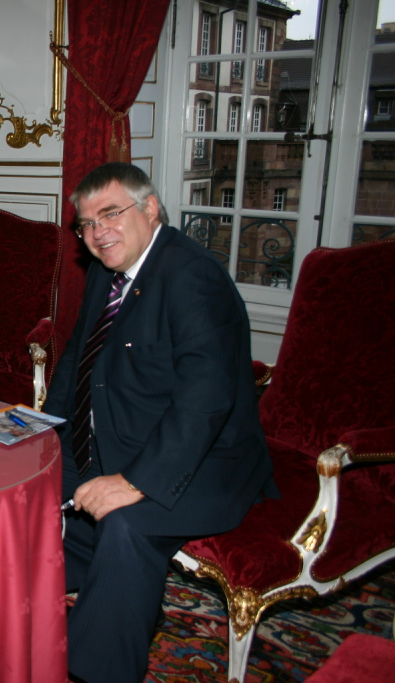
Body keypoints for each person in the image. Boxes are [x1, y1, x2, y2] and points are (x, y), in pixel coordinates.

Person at [41, 163, 275, 682]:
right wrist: (48, 434)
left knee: (126, 525)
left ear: (150, 209)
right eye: (87, 224)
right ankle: (83, 603)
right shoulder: (107, 270)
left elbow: (205, 403)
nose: (98, 232)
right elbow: (76, 360)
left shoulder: (193, 278)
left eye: (110, 214)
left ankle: (94, 668)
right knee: (31, 487)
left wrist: (133, 482)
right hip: (120, 436)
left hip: (205, 461)